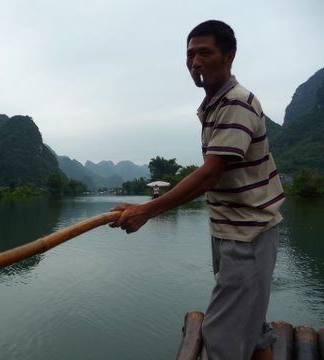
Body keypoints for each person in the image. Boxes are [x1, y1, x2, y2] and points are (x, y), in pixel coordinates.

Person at [110, 20, 284, 360]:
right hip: (230, 229)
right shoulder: (214, 106)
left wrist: (146, 210)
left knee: (220, 338)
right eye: (190, 55)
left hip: (247, 234)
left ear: (230, 56)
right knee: (254, 322)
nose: (195, 62)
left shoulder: (236, 103)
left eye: (205, 53)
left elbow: (210, 174)